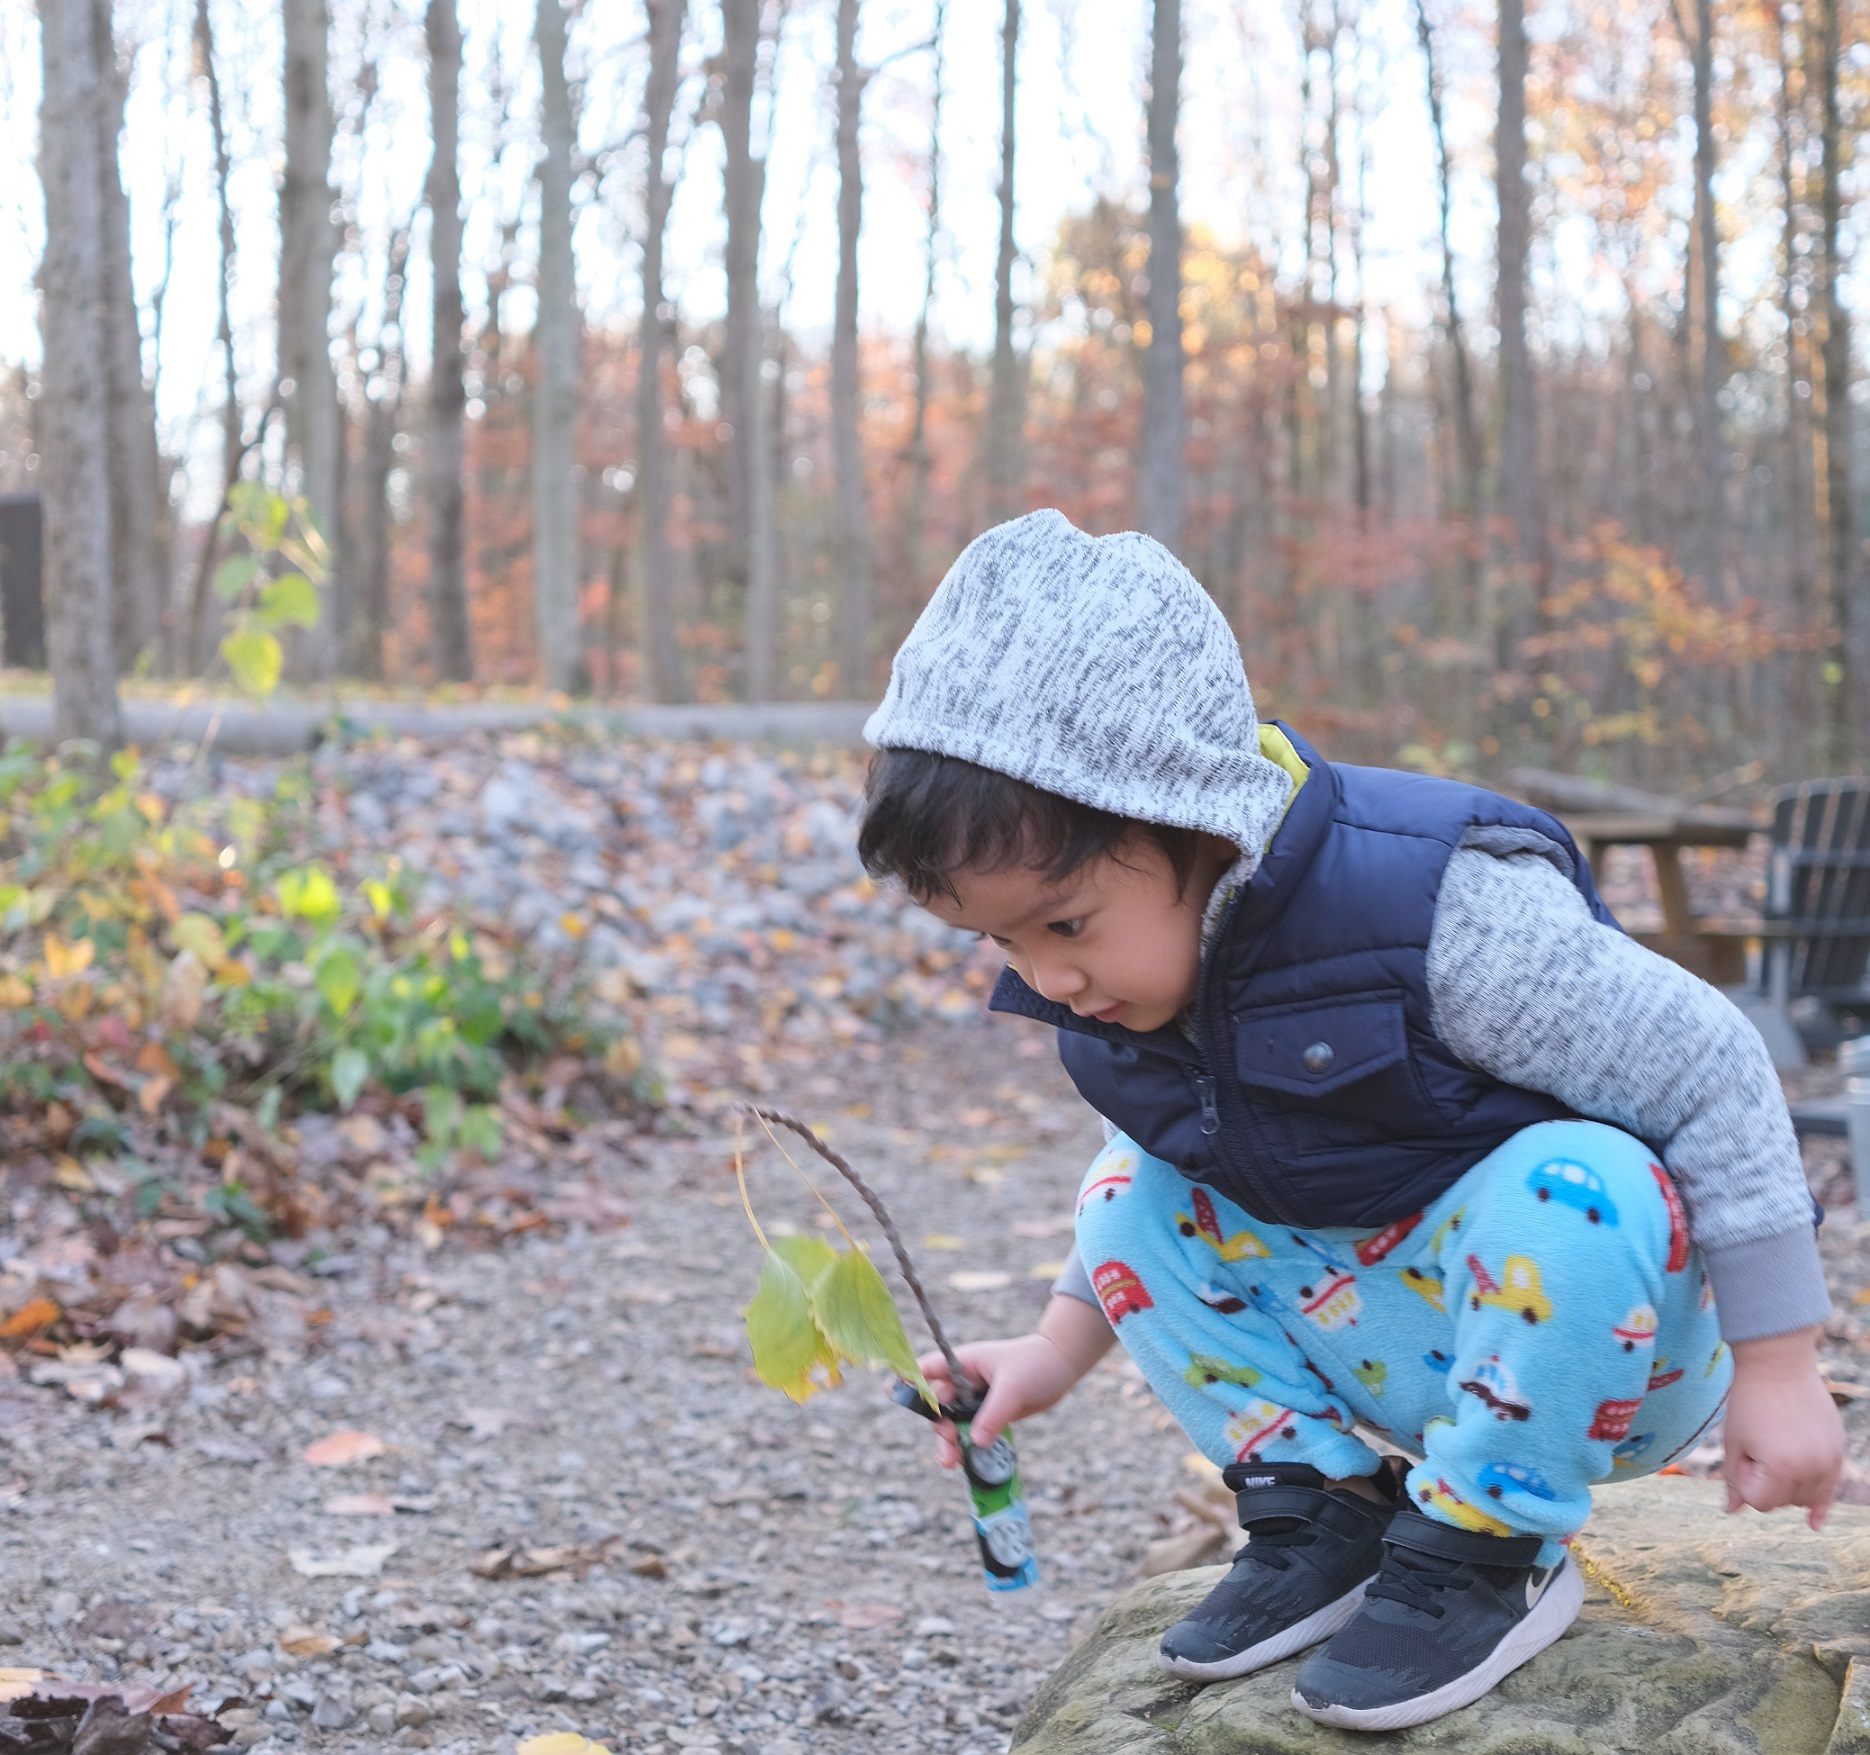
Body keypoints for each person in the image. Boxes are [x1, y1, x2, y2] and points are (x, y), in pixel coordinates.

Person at [856, 508, 1842, 1733]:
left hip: (1602, 1338)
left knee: (1576, 1174)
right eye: (996, 939)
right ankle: (1325, 1510)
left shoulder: (1439, 910)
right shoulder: (1129, 983)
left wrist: (1780, 1367)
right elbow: (1184, 1173)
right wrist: (1053, 1353)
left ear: (1196, 820)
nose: (1044, 976)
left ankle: (1492, 1545)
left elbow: (1710, 1068)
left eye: (1061, 925)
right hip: (1392, 1323)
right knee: (1125, 1182)